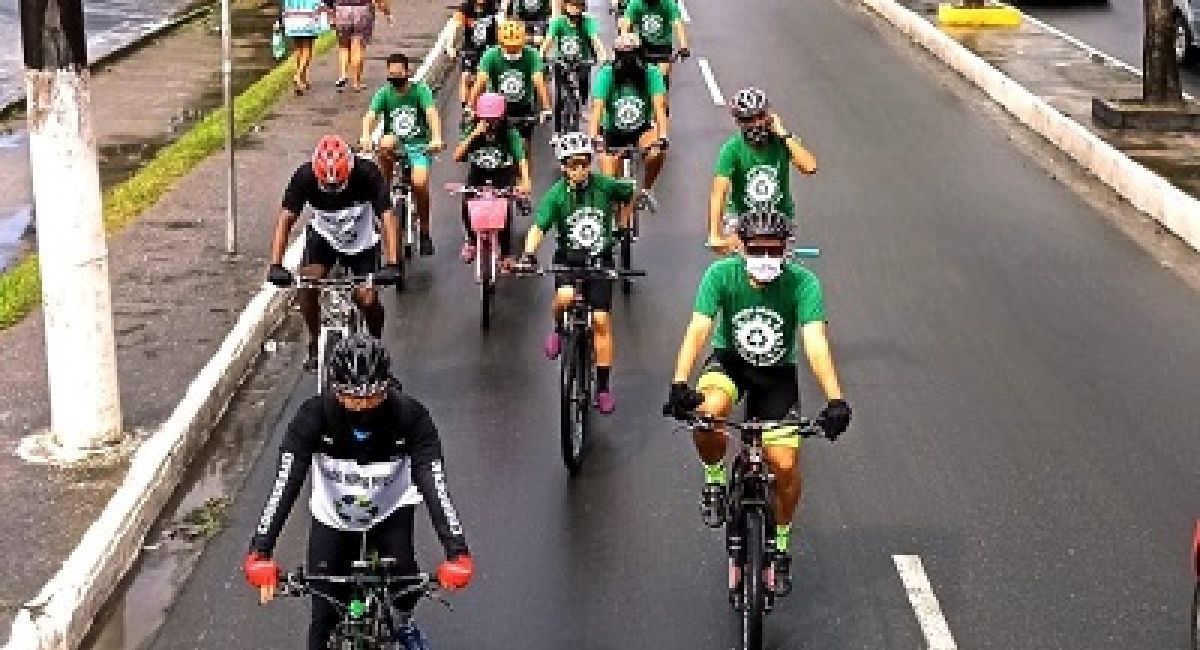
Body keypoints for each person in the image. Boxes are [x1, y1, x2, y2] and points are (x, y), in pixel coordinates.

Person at [662, 208, 852, 595]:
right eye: (757, 250)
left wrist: (836, 399)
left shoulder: (803, 283)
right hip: (730, 364)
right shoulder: (720, 275)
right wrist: (679, 382)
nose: (766, 258)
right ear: (741, 248)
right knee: (707, 414)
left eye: (774, 250)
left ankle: (780, 545)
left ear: (786, 250)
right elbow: (699, 328)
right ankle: (715, 480)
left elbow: (815, 342)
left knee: (785, 464)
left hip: (776, 375)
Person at [243, 334, 475, 650]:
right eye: (352, 398)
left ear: (387, 387)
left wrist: (457, 552)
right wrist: (260, 552)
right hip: (333, 518)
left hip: (390, 513)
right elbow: (286, 481)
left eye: (373, 397)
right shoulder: (312, 416)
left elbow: (434, 482)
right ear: (334, 388)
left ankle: (403, 623)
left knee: (406, 589)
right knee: (323, 615)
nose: (363, 406)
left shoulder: (411, 416)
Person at [514, 132, 633, 415]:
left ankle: (602, 387)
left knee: (601, 320)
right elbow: (539, 227)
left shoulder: (604, 185)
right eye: (572, 165)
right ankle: (558, 328)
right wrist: (528, 254)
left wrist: (622, 225)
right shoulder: (556, 195)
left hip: (600, 261)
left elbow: (629, 192)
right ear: (563, 167)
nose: (579, 170)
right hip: (569, 261)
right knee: (565, 297)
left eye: (583, 163)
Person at [266, 135, 401, 369]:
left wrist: (393, 264)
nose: (332, 191)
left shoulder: (367, 173)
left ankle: (376, 348)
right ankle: (314, 340)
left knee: (367, 299)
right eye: (327, 186)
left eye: (338, 185)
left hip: (362, 241)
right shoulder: (304, 176)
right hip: (324, 238)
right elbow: (285, 219)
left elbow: (387, 218)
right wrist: (276, 265)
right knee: (307, 285)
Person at [708, 87, 817, 253]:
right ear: (738, 122)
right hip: (741, 220)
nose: (756, 124)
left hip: (779, 219)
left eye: (760, 116)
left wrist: (782, 133)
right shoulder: (731, 149)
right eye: (748, 119)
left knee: (783, 265)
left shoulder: (783, 142)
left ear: (769, 116)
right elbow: (719, 192)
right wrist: (714, 234)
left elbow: (810, 167)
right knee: (737, 263)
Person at [360, 52, 444, 257]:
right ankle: (384, 195)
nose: (395, 78)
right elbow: (370, 116)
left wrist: (436, 138)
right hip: (395, 148)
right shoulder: (384, 94)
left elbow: (431, 114)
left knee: (420, 183)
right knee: (385, 144)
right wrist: (365, 136)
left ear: (408, 72)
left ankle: (424, 230)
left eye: (399, 74)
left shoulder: (420, 91)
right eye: (391, 74)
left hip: (419, 147)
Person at [588, 32, 667, 230]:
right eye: (623, 56)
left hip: (641, 129)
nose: (628, 62)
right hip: (612, 132)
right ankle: (614, 214)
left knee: (657, 152)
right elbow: (597, 107)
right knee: (608, 179)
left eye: (632, 55)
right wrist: (593, 137)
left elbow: (659, 106)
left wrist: (663, 135)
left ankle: (646, 190)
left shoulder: (651, 73)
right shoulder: (607, 74)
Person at [453, 92, 532, 263]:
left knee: (504, 208)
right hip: (478, 172)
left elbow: (521, 158)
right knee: (467, 204)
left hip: (502, 172)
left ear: (502, 117)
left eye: (494, 120)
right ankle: (472, 241)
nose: (490, 124)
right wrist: (474, 135)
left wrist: (525, 181)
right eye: (486, 120)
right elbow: (457, 156)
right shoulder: (471, 130)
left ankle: (506, 252)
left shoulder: (510, 133)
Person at [468, 19, 553, 176]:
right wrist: (470, 106)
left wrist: (546, 108)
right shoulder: (491, 55)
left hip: (523, 108)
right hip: (495, 110)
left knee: (524, 148)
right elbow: (480, 82)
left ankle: (525, 183)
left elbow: (539, 81)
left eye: (515, 48)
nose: (512, 51)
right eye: (508, 47)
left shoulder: (532, 55)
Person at [540, 0, 607, 106]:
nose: (575, 9)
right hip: (562, 60)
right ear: (566, 6)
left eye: (578, 6)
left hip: (582, 59)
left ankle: (581, 103)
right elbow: (548, 40)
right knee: (559, 85)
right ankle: (559, 107)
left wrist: (603, 55)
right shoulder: (558, 22)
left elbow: (595, 40)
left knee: (583, 83)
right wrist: (541, 55)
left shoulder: (587, 22)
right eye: (572, 5)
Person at [618, 0, 689, 88]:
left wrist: (683, 46)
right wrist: (625, 41)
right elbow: (626, 24)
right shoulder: (635, 3)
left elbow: (678, 24)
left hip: (663, 46)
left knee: (661, 78)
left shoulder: (668, 3)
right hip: (642, 46)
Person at [447, 0, 501, 110]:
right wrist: (450, 46)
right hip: (470, 48)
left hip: (488, 49)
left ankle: (484, 106)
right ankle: (466, 110)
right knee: (466, 77)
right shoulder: (466, 8)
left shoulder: (493, 6)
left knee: (484, 80)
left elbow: (501, 24)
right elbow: (455, 26)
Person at [327, 0, 392, 91]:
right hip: (363, 10)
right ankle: (356, 82)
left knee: (343, 47)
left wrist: (330, 13)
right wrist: (387, 13)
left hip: (341, 10)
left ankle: (343, 75)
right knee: (359, 47)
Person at [281, 0, 329, 93]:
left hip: (292, 21)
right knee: (307, 49)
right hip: (308, 20)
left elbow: (285, 4)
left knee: (298, 50)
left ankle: (303, 78)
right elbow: (317, 4)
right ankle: (298, 75)